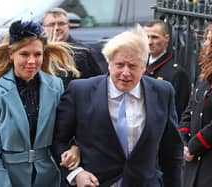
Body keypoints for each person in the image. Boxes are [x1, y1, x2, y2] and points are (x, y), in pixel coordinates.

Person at [52, 25, 183, 187]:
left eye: (133, 66)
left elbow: (171, 151)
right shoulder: (80, 91)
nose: (125, 73)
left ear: (144, 67)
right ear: (109, 64)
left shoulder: (162, 92)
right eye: (120, 65)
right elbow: (58, 141)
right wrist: (76, 174)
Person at [0, 20, 80, 187]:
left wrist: (75, 147)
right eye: (24, 54)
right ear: (11, 54)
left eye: (37, 54)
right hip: (2, 178)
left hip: (45, 177)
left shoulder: (56, 86)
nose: (32, 61)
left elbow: (66, 130)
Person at [179, 23, 212, 187]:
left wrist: (194, 146)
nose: (205, 44)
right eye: (206, 39)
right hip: (193, 161)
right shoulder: (205, 74)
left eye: (210, 40)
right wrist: (183, 141)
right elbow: (190, 109)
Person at [42, 7, 106, 88]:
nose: (57, 28)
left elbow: (98, 84)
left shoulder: (82, 52)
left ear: (68, 25)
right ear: (43, 28)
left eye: (61, 23)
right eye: (51, 24)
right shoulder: (38, 53)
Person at [143, 19, 191, 121]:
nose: (149, 42)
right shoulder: (140, 66)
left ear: (166, 38)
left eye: (154, 37)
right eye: (146, 37)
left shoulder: (177, 74)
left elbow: (178, 112)